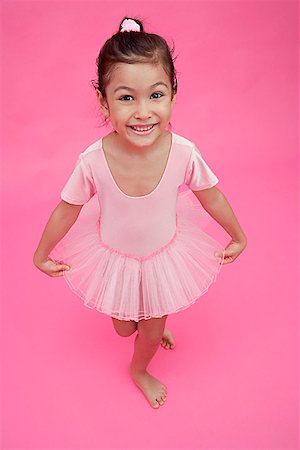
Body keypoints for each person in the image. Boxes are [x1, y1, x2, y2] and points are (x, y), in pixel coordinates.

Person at [33, 17, 247, 409]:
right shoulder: (94, 159)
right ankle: (144, 327)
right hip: (114, 256)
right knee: (121, 327)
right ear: (104, 101)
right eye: (127, 97)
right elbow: (68, 209)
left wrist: (238, 235)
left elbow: (210, 195)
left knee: (149, 328)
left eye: (156, 95)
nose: (143, 112)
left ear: (173, 96)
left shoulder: (183, 152)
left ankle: (141, 367)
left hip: (163, 255)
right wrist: (41, 253)